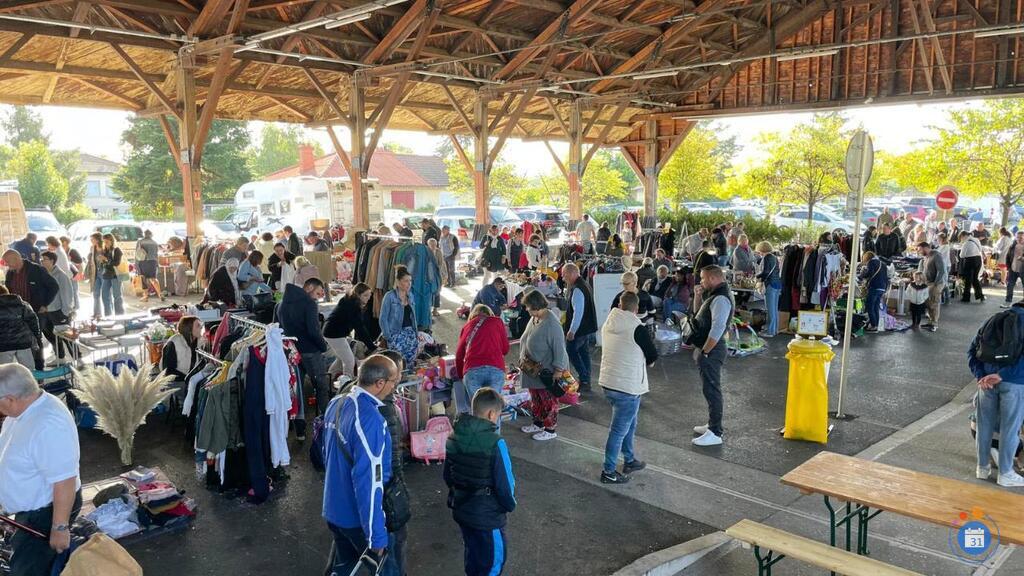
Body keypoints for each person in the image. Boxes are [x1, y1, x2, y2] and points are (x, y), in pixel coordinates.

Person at [321, 354, 401, 576]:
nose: (395, 386)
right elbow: (370, 483)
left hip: (333, 509)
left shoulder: (336, 403)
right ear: (380, 383)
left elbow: (325, 454)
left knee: (345, 567)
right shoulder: (371, 421)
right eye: (394, 381)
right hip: (356, 518)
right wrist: (377, 536)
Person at [0, 364, 81, 576]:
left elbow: (64, 480)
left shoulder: (49, 425)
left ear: (10, 399)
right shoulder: (23, 411)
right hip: (32, 511)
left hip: (46, 513)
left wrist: (60, 528)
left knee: (27, 570)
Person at [444, 387, 516, 576]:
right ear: (492, 413)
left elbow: (448, 476)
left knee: (473, 559)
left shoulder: (453, 436)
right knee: (492, 564)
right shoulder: (496, 442)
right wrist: (509, 505)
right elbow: (505, 484)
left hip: (462, 509)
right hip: (487, 517)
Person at [598, 292, 657, 485]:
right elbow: (652, 355)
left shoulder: (609, 322)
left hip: (609, 382)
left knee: (629, 425)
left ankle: (629, 459)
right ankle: (608, 471)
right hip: (628, 386)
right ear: (637, 308)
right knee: (618, 430)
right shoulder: (637, 328)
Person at [968, 311, 1024, 487]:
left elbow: (972, 350)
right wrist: (1002, 375)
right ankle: (1006, 473)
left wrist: (980, 375)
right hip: (1014, 383)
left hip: (986, 382)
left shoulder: (994, 319)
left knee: (984, 426)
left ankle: (982, 468)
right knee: (1010, 429)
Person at [689, 266, 734, 447]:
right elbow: (699, 315)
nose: (701, 281)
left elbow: (717, 328)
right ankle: (712, 424)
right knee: (709, 389)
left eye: (703, 278)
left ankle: (715, 432)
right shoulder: (715, 294)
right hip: (709, 348)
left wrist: (705, 351)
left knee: (712, 389)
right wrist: (698, 297)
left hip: (713, 349)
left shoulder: (721, 298)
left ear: (714, 278)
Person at [520, 289, 570, 441]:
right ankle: (538, 422)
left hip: (546, 371)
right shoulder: (536, 318)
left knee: (548, 400)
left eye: (528, 306)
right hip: (532, 369)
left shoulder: (552, 324)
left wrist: (558, 370)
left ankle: (550, 429)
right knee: (536, 398)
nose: (527, 309)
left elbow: (559, 348)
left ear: (536, 305)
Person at [3, 250, 58, 358]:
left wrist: (45, 304)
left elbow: (54, 286)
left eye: (7, 262)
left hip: (36, 311)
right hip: (18, 313)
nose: (6, 264)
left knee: (35, 339)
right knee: (26, 339)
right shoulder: (10, 273)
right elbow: (9, 291)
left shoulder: (36, 269)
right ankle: (29, 365)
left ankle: (39, 367)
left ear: (16, 259)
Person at [456, 304, 510, 407]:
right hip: (495, 368)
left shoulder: (467, 326)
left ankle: (477, 422)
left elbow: (459, 355)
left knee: (477, 409)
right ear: (490, 314)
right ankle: (493, 423)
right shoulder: (497, 321)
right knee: (494, 408)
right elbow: (505, 349)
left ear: (472, 315)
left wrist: (460, 376)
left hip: (472, 370)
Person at [323, 283, 374, 378]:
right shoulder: (353, 306)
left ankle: (328, 381)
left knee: (341, 359)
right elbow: (360, 329)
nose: (368, 298)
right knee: (349, 361)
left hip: (333, 332)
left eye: (369, 295)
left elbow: (360, 327)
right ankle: (347, 383)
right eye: (365, 295)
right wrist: (372, 346)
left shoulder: (350, 301)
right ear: (358, 295)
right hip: (334, 334)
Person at [561, 263, 597, 394]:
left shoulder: (577, 289)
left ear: (571, 273)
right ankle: (586, 380)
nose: (563, 279)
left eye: (564, 275)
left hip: (579, 329)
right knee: (584, 353)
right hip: (587, 328)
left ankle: (584, 378)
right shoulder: (584, 284)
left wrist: (572, 330)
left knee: (571, 351)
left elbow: (578, 312)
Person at [39, 251, 74, 362]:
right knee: (50, 335)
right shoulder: (43, 274)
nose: (42, 261)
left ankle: (78, 357)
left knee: (67, 337)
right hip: (46, 310)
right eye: (42, 259)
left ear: (52, 261)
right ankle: (60, 357)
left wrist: (65, 311)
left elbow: (67, 294)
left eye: (45, 259)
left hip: (58, 311)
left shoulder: (60, 275)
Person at [380, 266, 419, 366]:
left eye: (410, 280)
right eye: (406, 281)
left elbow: (412, 316)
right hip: (395, 334)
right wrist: (388, 337)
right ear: (398, 282)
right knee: (398, 364)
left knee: (410, 363)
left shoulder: (410, 295)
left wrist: (416, 333)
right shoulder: (389, 296)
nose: (409, 283)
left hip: (410, 334)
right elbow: (383, 318)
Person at [0, 286, 41, 369]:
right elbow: (33, 321)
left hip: (4, 344)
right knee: (29, 370)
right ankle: (32, 382)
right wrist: (37, 336)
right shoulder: (22, 304)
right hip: (24, 342)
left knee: (4, 372)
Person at [917, 241, 947, 332]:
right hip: (929, 283)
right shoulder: (926, 257)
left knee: (934, 302)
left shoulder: (936, 255)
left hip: (937, 283)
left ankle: (934, 323)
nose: (919, 252)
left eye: (920, 250)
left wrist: (935, 283)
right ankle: (930, 322)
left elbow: (941, 271)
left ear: (925, 248)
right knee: (929, 303)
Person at [161, 315, 201, 380]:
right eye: (198, 326)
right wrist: (188, 378)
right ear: (189, 329)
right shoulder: (174, 342)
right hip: (175, 382)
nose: (201, 328)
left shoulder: (199, 341)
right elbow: (168, 370)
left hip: (191, 379)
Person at [756, 241, 782, 338]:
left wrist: (757, 276)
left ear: (762, 249)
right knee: (774, 309)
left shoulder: (767, 258)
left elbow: (765, 272)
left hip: (770, 284)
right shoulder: (774, 257)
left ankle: (770, 332)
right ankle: (774, 329)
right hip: (777, 284)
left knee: (770, 309)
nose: (759, 252)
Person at [859, 251, 888, 333]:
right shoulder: (882, 263)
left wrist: (862, 274)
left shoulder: (871, 263)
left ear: (866, 257)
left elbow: (869, 273)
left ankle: (873, 325)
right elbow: (886, 276)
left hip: (874, 286)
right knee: (875, 306)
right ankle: (876, 325)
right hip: (882, 288)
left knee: (870, 306)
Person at [97, 234, 125, 316]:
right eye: (104, 242)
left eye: (107, 241)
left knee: (117, 296)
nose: (105, 243)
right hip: (106, 275)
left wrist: (106, 260)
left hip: (115, 275)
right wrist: (102, 261)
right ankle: (108, 315)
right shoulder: (105, 250)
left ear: (112, 241)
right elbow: (104, 264)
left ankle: (119, 315)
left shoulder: (117, 250)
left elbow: (116, 263)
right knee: (105, 296)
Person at [135, 229, 164, 302]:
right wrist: (157, 264)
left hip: (143, 262)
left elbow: (137, 254)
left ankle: (145, 296)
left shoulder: (140, 242)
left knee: (143, 279)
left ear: (144, 234)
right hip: (153, 262)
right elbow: (156, 254)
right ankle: (160, 294)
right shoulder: (154, 243)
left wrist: (136, 264)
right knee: (153, 278)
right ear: (151, 235)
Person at [959, 230, 985, 303]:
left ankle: (966, 298)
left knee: (968, 280)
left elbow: (961, 255)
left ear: (963, 236)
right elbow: (980, 249)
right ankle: (980, 295)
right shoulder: (976, 239)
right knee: (975, 278)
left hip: (970, 261)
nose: (961, 240)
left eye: (961, 238)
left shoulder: (966, 243)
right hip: (978, 259)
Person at [84, 232, 103, 320]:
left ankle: (107, 312)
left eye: (93, 239)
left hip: (104, 273)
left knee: (106, 294)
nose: (91, 241)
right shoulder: (92, 248)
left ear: (98, 239)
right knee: (96, 293)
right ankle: (97, 313)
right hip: (95, 273)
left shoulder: (104, 248)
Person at [427, 238, 447, 315]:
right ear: (428, 245)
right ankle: (428, 310)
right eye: (431, 245)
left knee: (437, 292)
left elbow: (441, 263)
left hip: (437, 275)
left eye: (434, 245)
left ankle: (435, 310)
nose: (433, 246)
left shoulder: (438, 252)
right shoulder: (426, 251)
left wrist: (443, 275)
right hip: (428, 276)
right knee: (428, 293)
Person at [1004, 231, 1024, 306]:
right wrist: (1008, 267)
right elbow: (1008, 256)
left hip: (1023, 270)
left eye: (1021, 237)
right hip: (1013, 268)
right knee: (1010, 284)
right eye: (1017, 237)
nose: (1019, 239)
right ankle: (1008, 300)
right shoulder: (1013, 246)